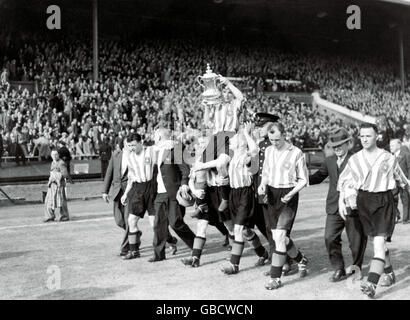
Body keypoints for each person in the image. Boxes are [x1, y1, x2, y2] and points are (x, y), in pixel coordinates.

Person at [338, 123, 410, 298]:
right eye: (362, 136)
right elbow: (344, 181)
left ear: (376, 136)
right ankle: (390, 273)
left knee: (378, 243)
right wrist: (342, 200)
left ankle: (371, 284)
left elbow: (402, 180)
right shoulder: (354, 159)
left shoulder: (388, 158)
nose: (364, 139)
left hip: (384, 202)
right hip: (364, 202)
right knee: (377, 243)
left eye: (368, 136)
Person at [309, 127, 367, 282]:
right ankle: (338, 268)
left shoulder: (357, 159)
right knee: (329, 237)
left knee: (356, 241)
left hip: (353, 207)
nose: (337, 149)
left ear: (349, 143)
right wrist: (299, 178)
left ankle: (356, 268)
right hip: (334, 207)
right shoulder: (329, 160)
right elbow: (318, 177)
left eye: (340, 145)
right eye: (334, 147)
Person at [258, 122, 309, 290]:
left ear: (284, 135)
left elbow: (303, 179)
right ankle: (301, 260)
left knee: (279, 236)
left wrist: (292, 193)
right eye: (271, 139)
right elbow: (265, 173)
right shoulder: (268, 151)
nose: (274, 143)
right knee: (280, 238)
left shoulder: (296, 153)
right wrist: (262, 185)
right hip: (272, 195)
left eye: (277, 139)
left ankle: (275, 278)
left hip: (288, 196)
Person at [220, 123, 270, 275]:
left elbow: (255, 150)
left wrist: (247, 134)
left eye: (236, 139)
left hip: (246, 195)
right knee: (247, 231)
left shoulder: (247, 156)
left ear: (242, 142)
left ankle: (234, 265)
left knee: (238, 229)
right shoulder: (232, 158)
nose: (232, 141)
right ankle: (263, 254)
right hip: (234, 194)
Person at [120, 133, 177, 260]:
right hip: (137, 190)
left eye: (134, 145)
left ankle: (171, 240)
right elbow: (130, 178)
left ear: (141, 143)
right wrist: (125, 194)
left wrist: (170, 142)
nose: (131, 148)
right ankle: (134, 251)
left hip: (151, 189)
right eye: (129, 146)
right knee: (131, 220)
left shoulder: (151, 150)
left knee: (154, 224)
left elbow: (165, 145)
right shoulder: (129, 157)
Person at [150, 128, 195, 262]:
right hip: (160, 193)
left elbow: (185, 170)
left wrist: (184, 183)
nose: (154, 137)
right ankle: (159, 254)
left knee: (175, 222)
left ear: (160, 137)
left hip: (174, 192)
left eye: (156, 135)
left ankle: (195, 244)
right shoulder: (156, 151)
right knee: (158, 224)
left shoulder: (174, 149)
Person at [102, 139, 130, 257]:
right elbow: (109, 172)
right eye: (129, 144)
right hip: (117, 191)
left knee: (129, 221)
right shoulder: (116, 155)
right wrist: (105, 191)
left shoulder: (136, 155)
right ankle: (135, 234)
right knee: (119, 221)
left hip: (130, 192)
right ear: (124, 145)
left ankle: (125, 248)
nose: (131, 146)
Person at [44, 149, 69, 222]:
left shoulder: (61, 163)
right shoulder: (53, 163)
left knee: (61, 201)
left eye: (56, 154)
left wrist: (56, 177)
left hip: (59, 185)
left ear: (58, 155)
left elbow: (65, 174)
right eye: (53, 155)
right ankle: (49, 216)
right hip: (52, 185)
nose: (54, 156)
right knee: (48, 201)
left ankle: (64, 216)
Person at [389, 139, 410, 224]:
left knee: (405, 199)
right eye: (390, 146)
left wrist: (409, 180)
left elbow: (409, 168)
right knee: (391, 198)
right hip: (393, 182)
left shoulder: (406, 155)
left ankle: (406, 218)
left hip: (404, 181)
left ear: (399, 145)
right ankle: (396, 215)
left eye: (392, 146)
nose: (390, 147)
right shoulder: (390, 157)